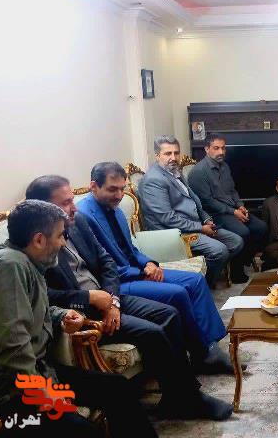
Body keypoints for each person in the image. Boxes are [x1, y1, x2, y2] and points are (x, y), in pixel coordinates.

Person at [25, 177, 233, 421]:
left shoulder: (77, 221)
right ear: (43, 208)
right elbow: (44, 295)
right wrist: (89, 297)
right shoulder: (34, 244)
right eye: (66, 203)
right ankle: (189, 400)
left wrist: (112, 301)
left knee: (169, 313)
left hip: (109, 296)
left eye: (72, 200)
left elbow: (106, 262)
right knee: (153, 333)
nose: (74, 207)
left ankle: (177, 396)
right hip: (84, 311)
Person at [0, 200, 158, 437]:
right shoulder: (11, 266)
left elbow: (31, 309)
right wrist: (42, 393)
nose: (63, 243)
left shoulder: (26, 261)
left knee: (117, 388)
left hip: (42, 372)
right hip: (13, 391)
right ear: (39, 240)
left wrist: (62, 315)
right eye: (60, 236)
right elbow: (11, 343)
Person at [74, 162, 235, 375]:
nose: (120, 195)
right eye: (113, 189)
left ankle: (208, 348)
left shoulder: (115, 209)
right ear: (94, 186)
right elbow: (102, 266)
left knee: (195, 281)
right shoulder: (83, 216)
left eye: (122, 189)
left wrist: (148, 263)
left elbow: (131, 249)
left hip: (135, 271)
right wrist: (142, 272)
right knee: (178, 293)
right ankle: (202, 353)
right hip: (118, 283)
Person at [138, 136, 244, 286]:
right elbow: (167, 218)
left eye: (176, 153)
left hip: (194, 224)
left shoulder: (174, 171)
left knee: (236, 241)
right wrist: (200, 228)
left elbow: (194, 200)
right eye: (168, 153)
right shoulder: (153, 180)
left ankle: (204, 277)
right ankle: (201, 285)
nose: (173, 158)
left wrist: (206, 219)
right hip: (173, 233)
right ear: (157, 155)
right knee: (219, 251)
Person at [187, 133, 268, 280]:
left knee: (261, 227)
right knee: (243, 232)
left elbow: (232, 191)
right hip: (215, 214)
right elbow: (207, 202)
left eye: (223, 148)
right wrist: (233, 212)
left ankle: (244, 258)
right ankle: (236, 272)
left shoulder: (225, 166)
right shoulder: (198, 172)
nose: (221, 152)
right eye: (216, 148)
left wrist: (240, 206)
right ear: (207, 149)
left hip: (232, 210)